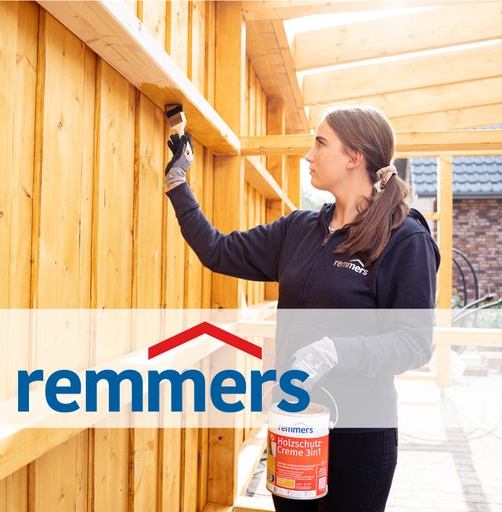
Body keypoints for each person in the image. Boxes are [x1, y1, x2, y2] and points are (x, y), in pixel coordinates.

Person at [163, 105, 440, 512]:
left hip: (359, 434)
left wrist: (336, 350)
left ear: (353, 157)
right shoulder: (299, 229)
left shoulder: (404, 238)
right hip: (294, 425)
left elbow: (414, 342)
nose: (309, 155)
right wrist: (177, 185)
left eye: (320, 143)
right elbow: (218, 251)